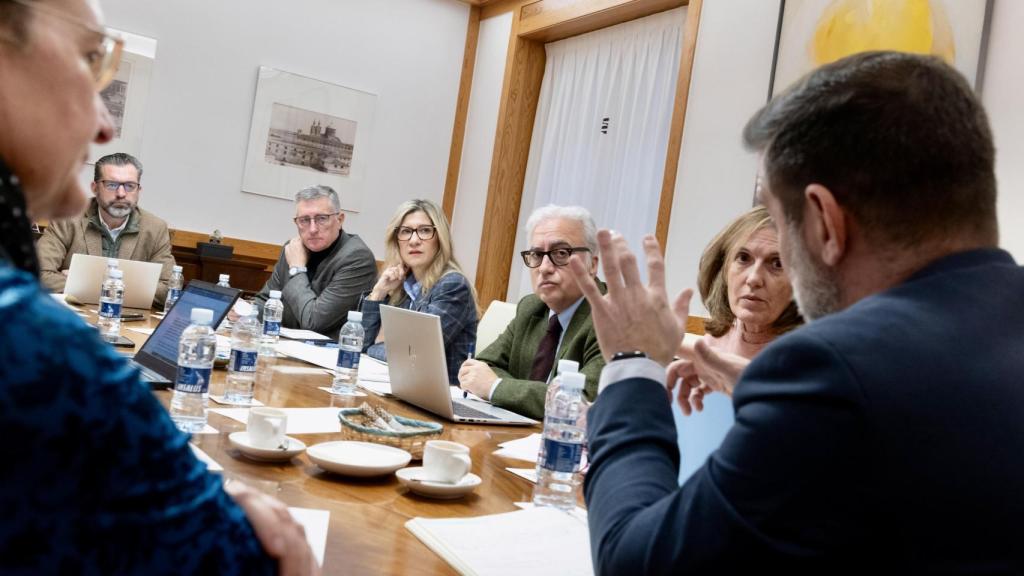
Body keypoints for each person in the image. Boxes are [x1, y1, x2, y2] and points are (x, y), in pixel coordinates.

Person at [566, 51, 1024, 573]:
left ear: (825, 221)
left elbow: (635, 563)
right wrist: (764, 389)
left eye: (780, 223)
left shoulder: (832, 369)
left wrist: (632, 365)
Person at [0, 0, 316, 573]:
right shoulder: (32, 342)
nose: (104, 123)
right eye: (90, 58)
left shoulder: (150, 230)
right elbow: (257, 556)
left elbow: (170, 278)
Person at [458, 205, 605, 420]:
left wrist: (496, 387)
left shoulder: (611, 317)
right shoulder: (531, 306)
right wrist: (505, 388)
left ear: (592, 265)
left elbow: (581, 404)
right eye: (536, 254)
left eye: (561, 253)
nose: (544, 268)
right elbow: (482, 368)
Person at [681, 205, 801, 413]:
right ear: (723, 269)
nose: (754, 279)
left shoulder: (810, 354)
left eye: (777, 263)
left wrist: (668, 343)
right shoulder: (716, 340)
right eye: (744, 258)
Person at [36, 152, 177, 307]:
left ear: (139, 190)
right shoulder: (68, 218)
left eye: (130, 186)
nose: (121, 194)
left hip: (126, 319)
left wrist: (80, 283)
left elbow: (169, 289)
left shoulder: (155, 228)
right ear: (95, 188)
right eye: (111, 185)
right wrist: (135, 289)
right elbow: (38, 273)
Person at [360, 199, 477, 385]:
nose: (414, 240)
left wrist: (375, 346)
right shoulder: (401, 285)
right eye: (406, 232)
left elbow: (413, 355)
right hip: (398, 386)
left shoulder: (453, 285)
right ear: (396, 241)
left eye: (425, 231)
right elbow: (359, 343)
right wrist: (378, 293)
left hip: (440, 395)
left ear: (440, 239)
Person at [250, 185, 377, 339]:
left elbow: (313, 322)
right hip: (283, 344)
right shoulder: (293, 248)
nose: (312, 229)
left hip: (329, 351)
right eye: (304, 220)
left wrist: (297, 269)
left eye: (321, 218)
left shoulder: (357, 258)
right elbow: (266, 300)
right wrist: (246, 312)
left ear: (340, 220)